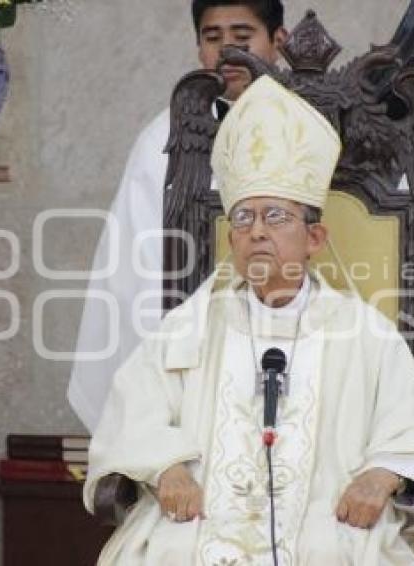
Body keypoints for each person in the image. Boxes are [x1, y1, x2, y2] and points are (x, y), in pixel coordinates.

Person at [83, 75, 414, 565]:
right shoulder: (192, 325)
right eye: (244, 219)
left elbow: (412, 422)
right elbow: (134, 409)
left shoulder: (362, 330)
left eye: (276, 217)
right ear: (231, 240)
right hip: (203, 512)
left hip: (327, 513)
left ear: (314, 239)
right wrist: (167, 471)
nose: (258, 232)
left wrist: (380, 477)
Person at [68, 0, 287, 431]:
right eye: (213, 38)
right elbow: (137, 271)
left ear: (278, 41)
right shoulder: (163, 140)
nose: (228, 51)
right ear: (198, 48)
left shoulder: (315, 126)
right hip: (196, 352)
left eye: (243, 38)